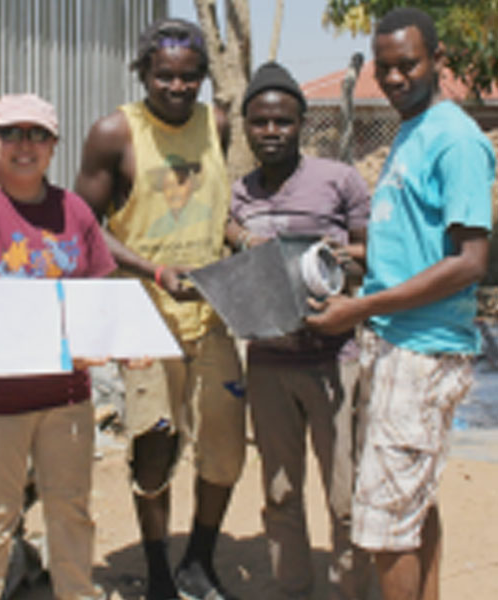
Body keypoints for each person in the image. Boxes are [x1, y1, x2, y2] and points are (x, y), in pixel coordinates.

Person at [306, 8, 495, 600]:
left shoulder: (454, 138)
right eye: (384, 67)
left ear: (437, 61)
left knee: (385, 531)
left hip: (422, 351)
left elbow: (469, 261)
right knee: (411, 507)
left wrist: (357, 309)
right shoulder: (412, 132)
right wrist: (352, 256)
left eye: (406, 64)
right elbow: (413, 248)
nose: (392, 78)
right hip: (399, 347)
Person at [75, 19, 245, 600]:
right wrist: (153, 271)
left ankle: (198, 561)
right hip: (145, 320)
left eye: (189, 77)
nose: (177, 88)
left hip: (214, 316)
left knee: (222, 454)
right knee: (154, 452)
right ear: (144, 72)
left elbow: (210, 207)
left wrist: (243, 240)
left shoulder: (215, 124)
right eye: (164, 76)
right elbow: (82, 230)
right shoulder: (114, 133)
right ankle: (157, 574)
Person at [0, 93, 116, 600]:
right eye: (11, 133)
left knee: (72, 512)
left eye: (38, 135)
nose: (24, 146)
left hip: (66, 401)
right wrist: (61, 345)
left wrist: (113, 339)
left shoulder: (74, 209)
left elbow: (98, 290)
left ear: (54, 146)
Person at [226, 61, 371, 600]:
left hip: (336, 358)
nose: (271, 132)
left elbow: (371, 256)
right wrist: (240, 239)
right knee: (281, 491)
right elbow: (232, 261)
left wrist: (329, 260)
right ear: (246, 126)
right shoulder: (240, 194)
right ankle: (291, 587)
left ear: (302, 123)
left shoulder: (339, 180)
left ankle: (350, 591)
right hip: (267, 363)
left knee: (346, 498)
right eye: (260, 122)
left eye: (283, 122)